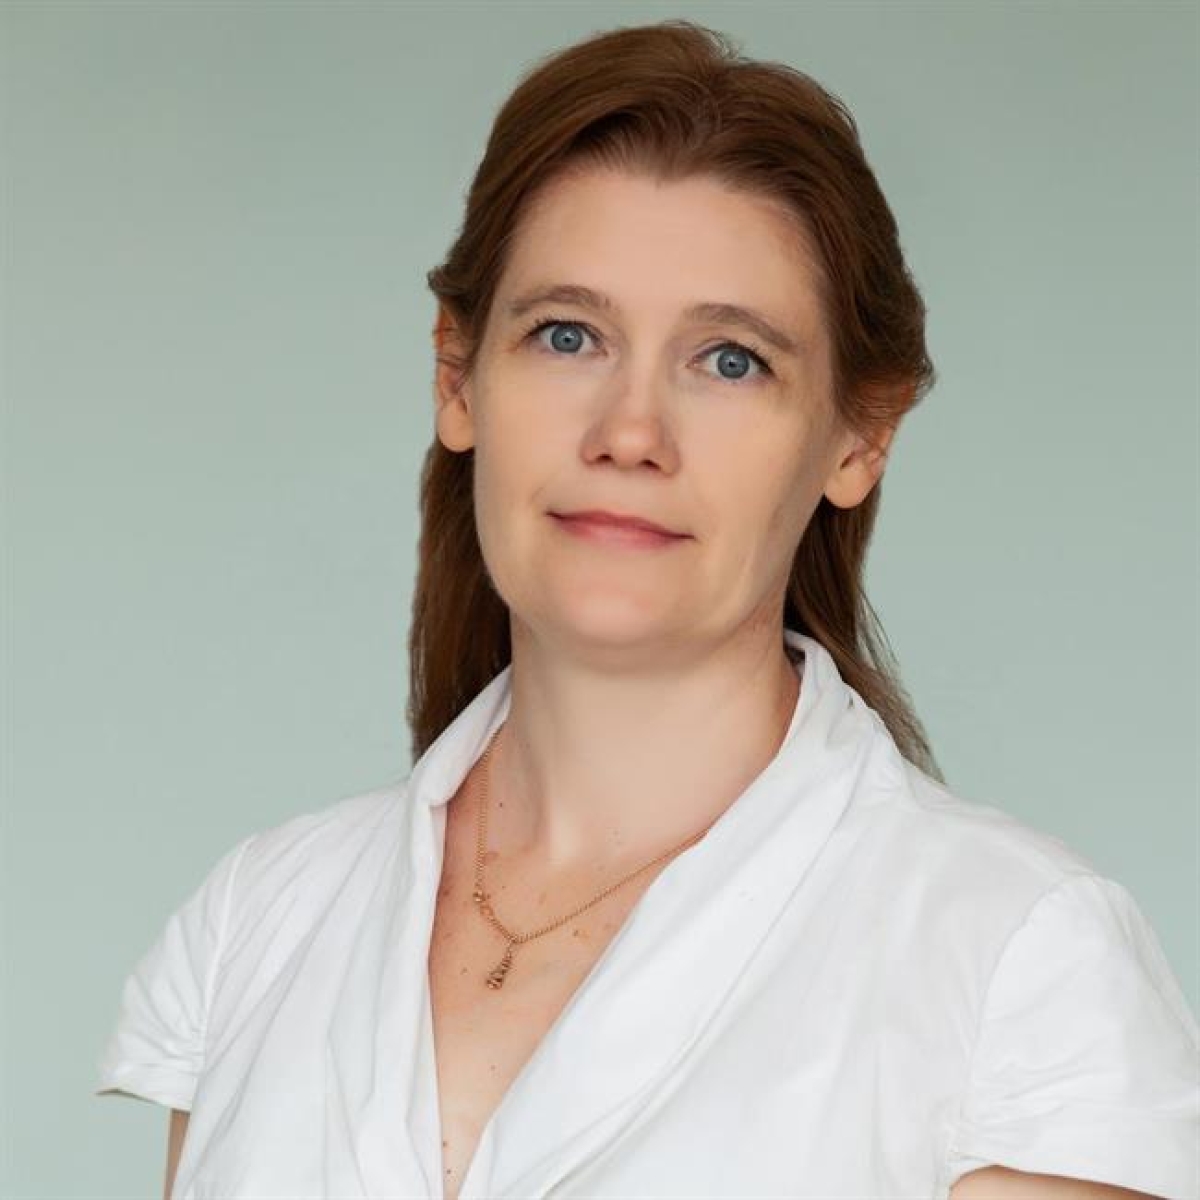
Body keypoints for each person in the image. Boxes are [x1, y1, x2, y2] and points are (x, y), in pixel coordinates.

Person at [95, 18, 1199, 1200]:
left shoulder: (1018, 967)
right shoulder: (261, 919)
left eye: (731, 360)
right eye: (568, 336)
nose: (629, 433)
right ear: (458, 378)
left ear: (858, 438)